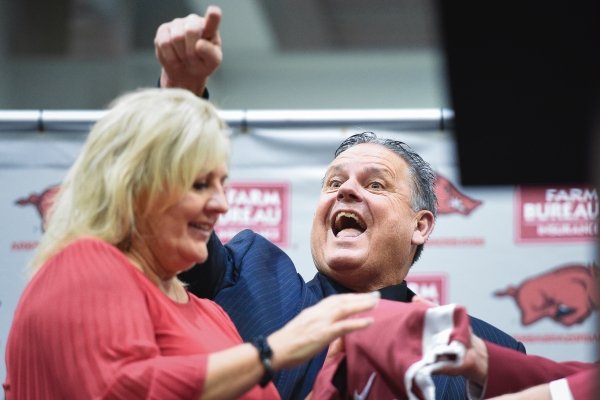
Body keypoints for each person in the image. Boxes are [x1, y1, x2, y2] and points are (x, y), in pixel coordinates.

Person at [155, 7, 526, 399]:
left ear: (421, 225)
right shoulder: (251, 280)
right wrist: (182, 91)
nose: (345, 191)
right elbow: (174, 213)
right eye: (334, 182)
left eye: (376, 185)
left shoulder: (487, 352)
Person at [2, 88, 381, 399]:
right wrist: (273, 352)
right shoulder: (86, 264)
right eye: (200, 184)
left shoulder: (210, 313)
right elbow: (123, 390)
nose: (221, 204)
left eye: (221, 184)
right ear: (134, 187)